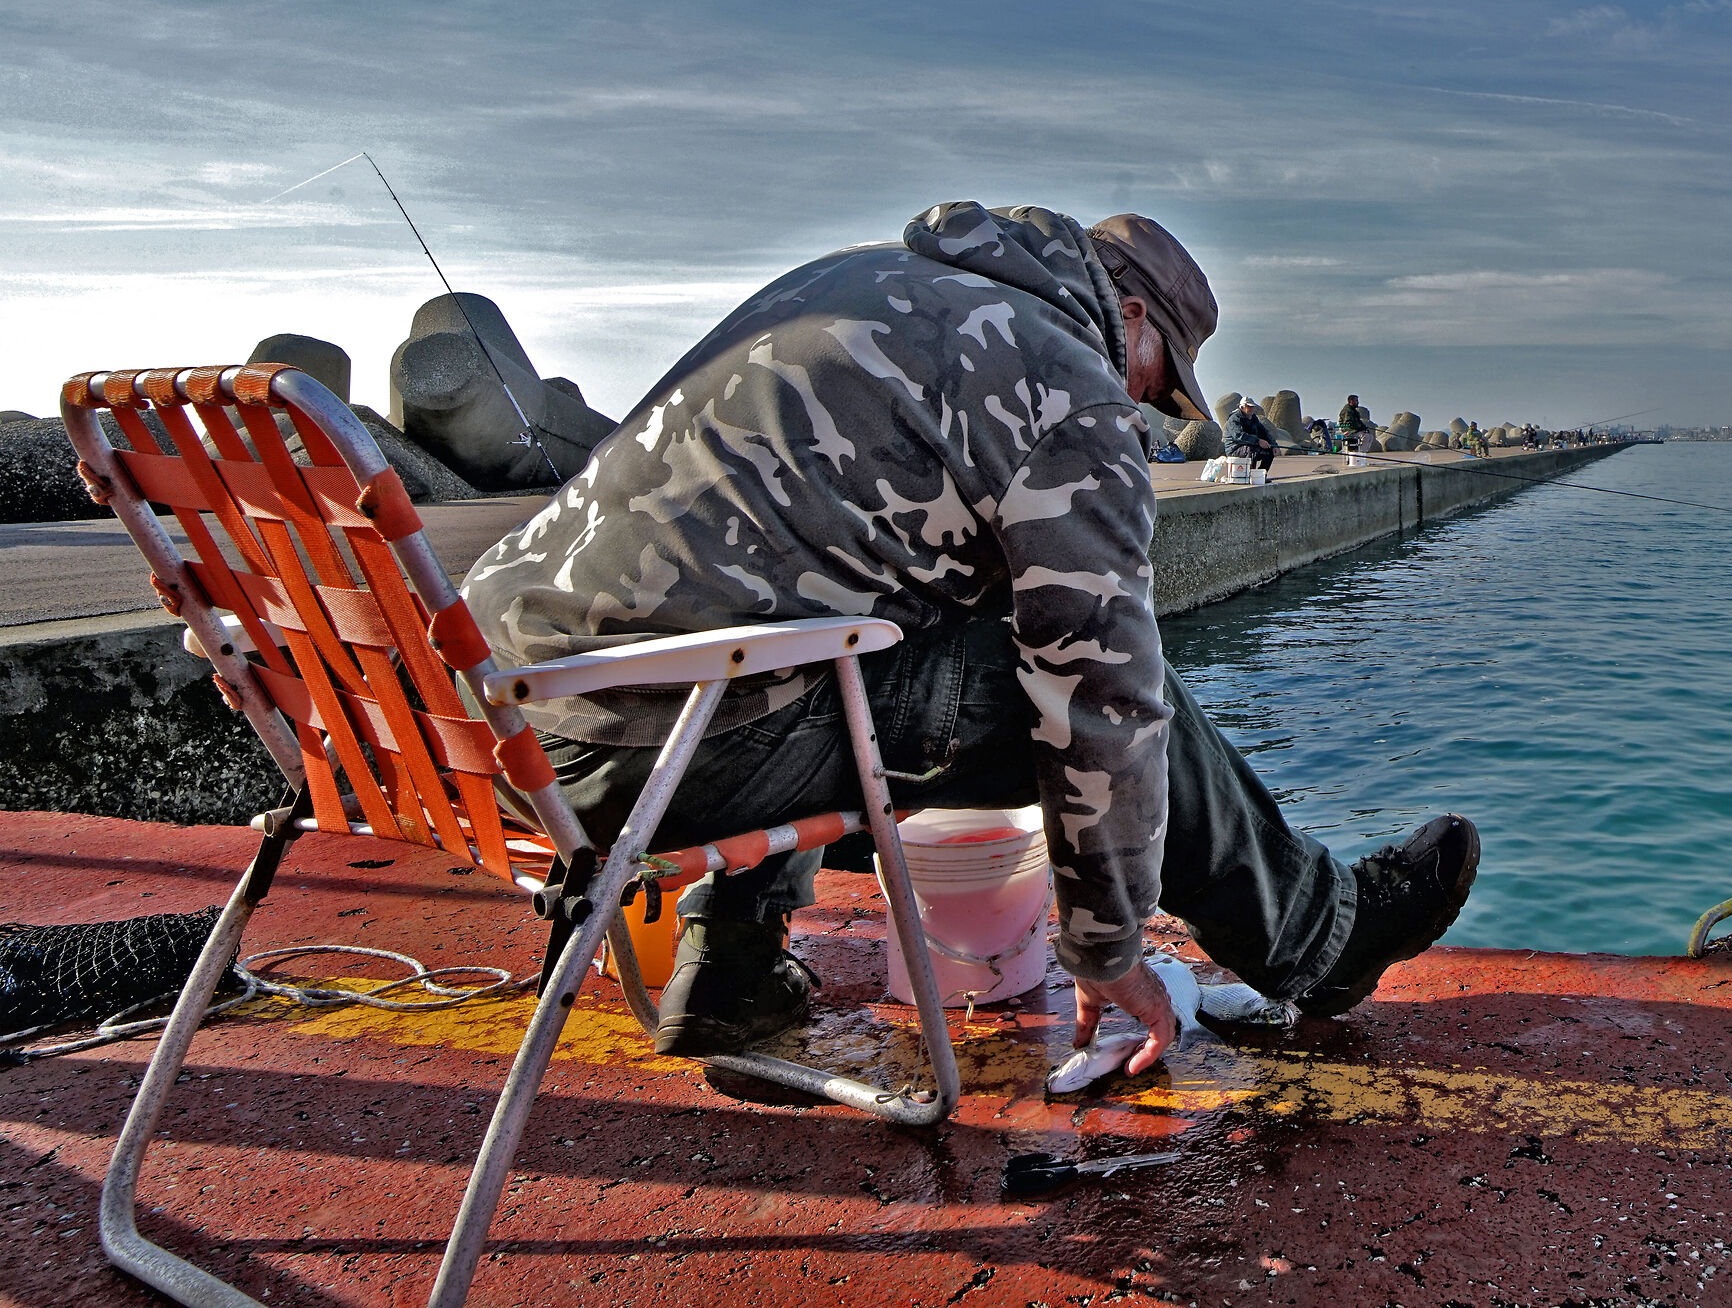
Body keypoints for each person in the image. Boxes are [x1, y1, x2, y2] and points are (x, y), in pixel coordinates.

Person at [462, 203, 1479, 1074]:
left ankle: (729, 963)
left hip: (493, 728)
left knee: (836, 607)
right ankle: (1324, 934)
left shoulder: (856, 279)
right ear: (1127, 314)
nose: (1143, 406)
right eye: (1158, 376)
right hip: (650, 755)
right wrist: (1105, 941)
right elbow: (1102, 698)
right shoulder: (1062, 383)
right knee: (1089, 675)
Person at [1225, 397, 1277, 475]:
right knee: (1251, 450)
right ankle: (1250, 475)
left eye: (1253, 407)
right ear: (1242, 407)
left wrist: (1274, 445)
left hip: (1251, 445)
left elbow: (1264, 432)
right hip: (1234, 448)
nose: (1252, 409)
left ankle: (1260, 475)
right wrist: (1258, 441)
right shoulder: (1234, 419)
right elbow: (1239, 436)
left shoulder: (1253, 418)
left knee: (1269, 451)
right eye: (1249, 407)